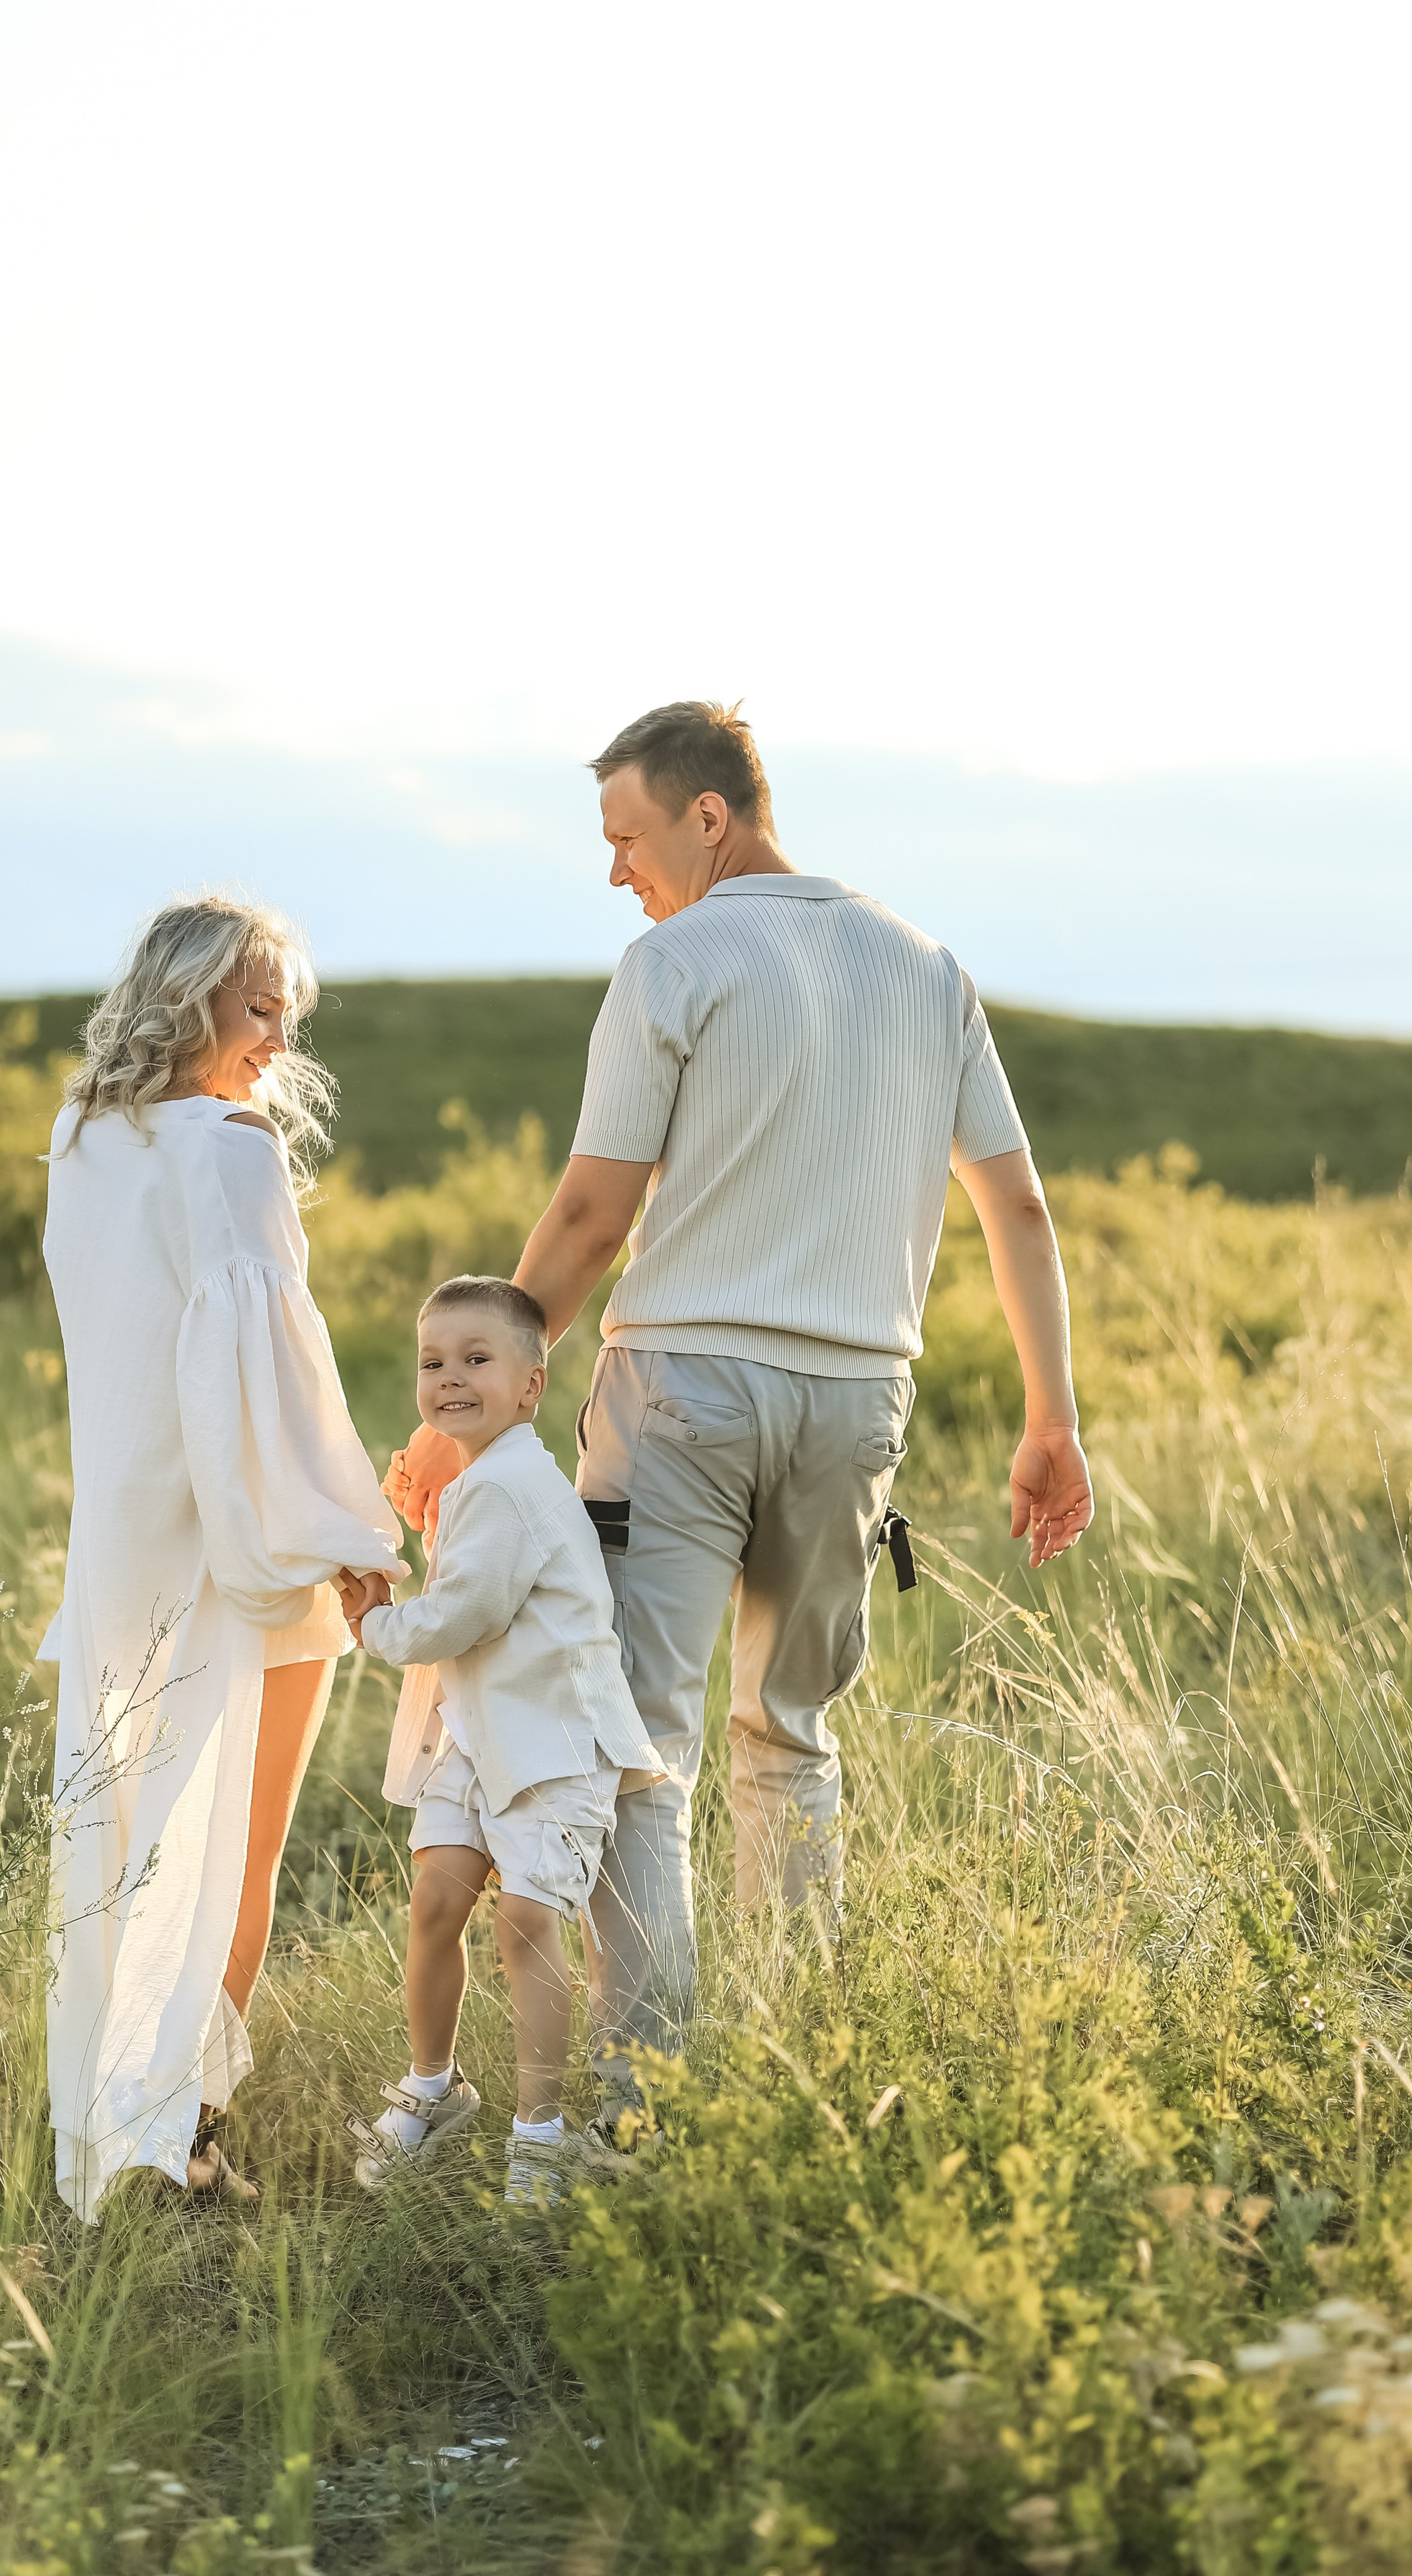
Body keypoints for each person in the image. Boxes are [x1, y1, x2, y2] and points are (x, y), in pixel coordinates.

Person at [386, 701, 1094, 2139]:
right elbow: (1016, 1206)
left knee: (641, 1745)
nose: (615, 871)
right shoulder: (929, 968)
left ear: (709, 816)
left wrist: (468, 1418)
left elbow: (591, 1217)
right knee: (792, 1735)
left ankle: (647, 2109)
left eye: (627, 837)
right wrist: (1050, 1419)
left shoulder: (673, 962)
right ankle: (795, 2081)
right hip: (855, 1403)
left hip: (681, 1394)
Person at [38, 894, 405, 2222]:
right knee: (233, 1857)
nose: (277, 1042)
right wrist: (350, 1538)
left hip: (116, 1543)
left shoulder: (80, 1139)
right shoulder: (234, 1148)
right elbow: (271, 1372)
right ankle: (183, 2146)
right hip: (231, 1542)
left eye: (286, 1016)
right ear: (188, 995)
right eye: (258, 1009)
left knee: (121, 1849)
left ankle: (108, 2127)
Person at [342, 1277, 662, 2205]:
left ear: (531, 1385)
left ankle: (540, 2133)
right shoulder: (477, 1481)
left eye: (476, 1360)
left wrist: (376, 1623)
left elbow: (465, 1613)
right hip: (478, 1736)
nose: (450, 1377)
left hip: (553, 1743)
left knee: (526, 1924)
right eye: (433, 1362)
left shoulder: (511, 1485)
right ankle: (433, 2086)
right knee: (435, 1904)